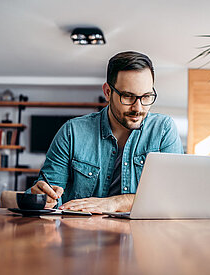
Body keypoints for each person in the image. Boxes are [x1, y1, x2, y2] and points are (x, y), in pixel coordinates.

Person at [29, 51, 183, 213]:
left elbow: (173, 196)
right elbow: (47, 192)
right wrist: (43, 197)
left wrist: (116, 203)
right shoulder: (72, 132)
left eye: (146, 96)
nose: (138, 108)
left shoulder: (164, 129)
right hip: (80, 234)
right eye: (128, 96)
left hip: (143, 235)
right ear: (108, 92)